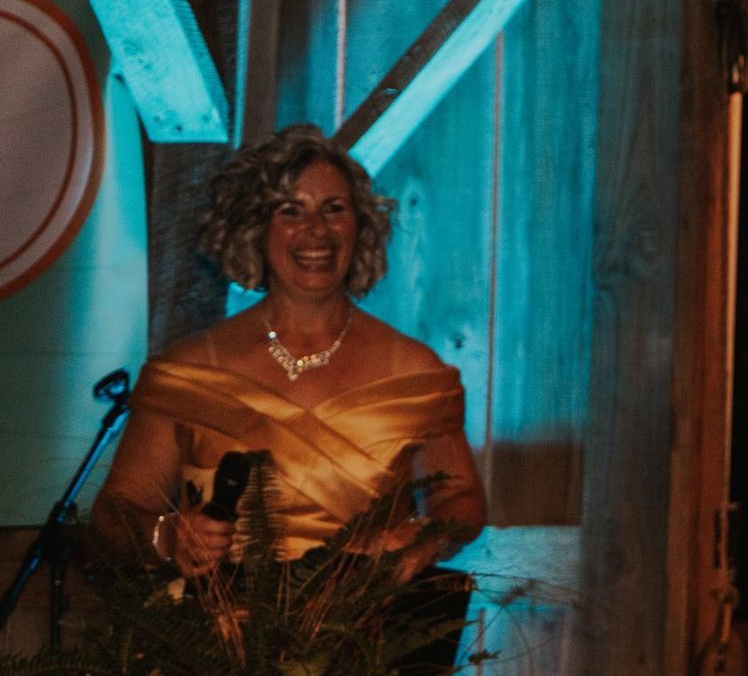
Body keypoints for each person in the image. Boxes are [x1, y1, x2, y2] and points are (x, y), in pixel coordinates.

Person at [89, 125, 486, 589]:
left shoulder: (416, 372)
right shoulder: (187, 371)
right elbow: (114, 514)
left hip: (364, 624)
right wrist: (167, 537)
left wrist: (422, 540)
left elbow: (462, 500)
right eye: (291, 211)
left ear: (360, 226)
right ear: (255, 228)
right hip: (217, 628)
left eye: (334, 209)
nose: (316, 230)